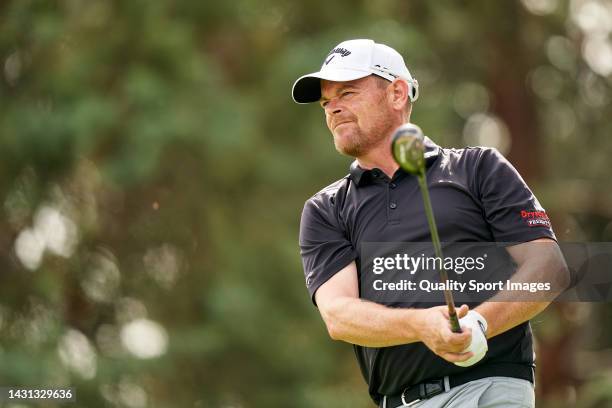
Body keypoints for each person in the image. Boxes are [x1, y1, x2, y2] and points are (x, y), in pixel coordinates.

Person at [293, 39, 568, 408]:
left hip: (490, 389)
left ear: (397, 93)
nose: (334, 108)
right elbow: (339, 315)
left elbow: (548, 268)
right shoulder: (326, 209)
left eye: (347, 92)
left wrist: (480, 325)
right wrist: (422, 325)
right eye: (327, 102)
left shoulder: (478, 169)